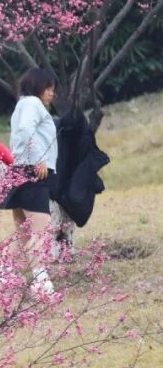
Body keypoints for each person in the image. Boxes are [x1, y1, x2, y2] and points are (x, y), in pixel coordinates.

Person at [0, 68, 60, 296]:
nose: (51, 94)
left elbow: (22, 132)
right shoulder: (32, 103)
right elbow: (26, 130)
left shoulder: (22, 105)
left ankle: (5, 276)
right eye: (49, 88)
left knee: (24, 233)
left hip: (20, 172)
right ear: (37, 86)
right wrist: (40, 159)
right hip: (33, 174)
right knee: (39, 231)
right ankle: (40, 280)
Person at [51, 107, 110, 261]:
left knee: (63, 217)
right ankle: (60, 252)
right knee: (58, 218)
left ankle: (64, 252)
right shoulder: (67, 135)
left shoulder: (79, 137)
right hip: (59, 184)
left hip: (64, 184)